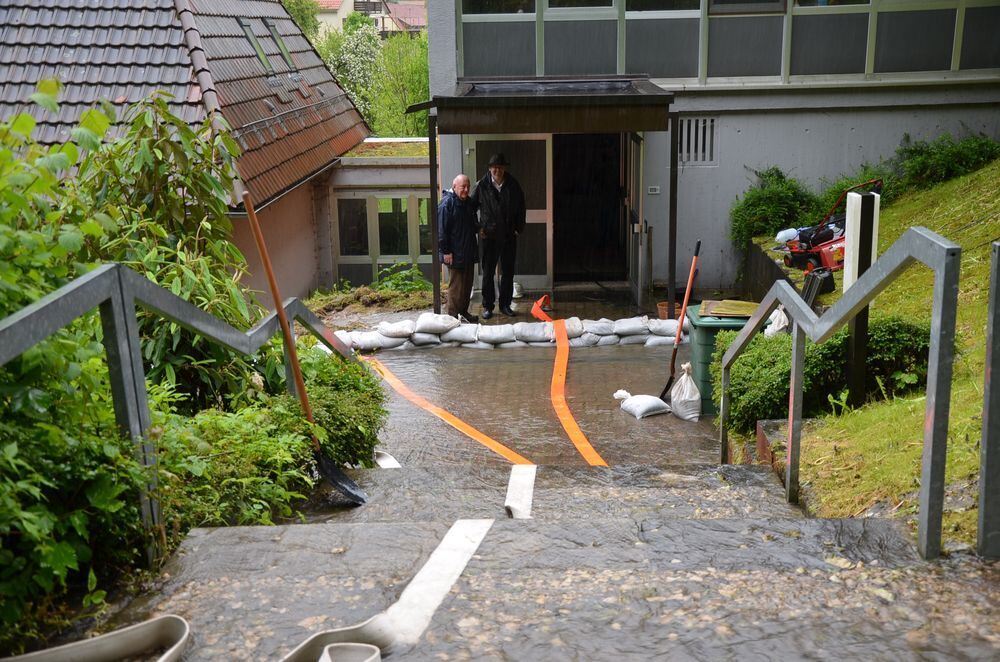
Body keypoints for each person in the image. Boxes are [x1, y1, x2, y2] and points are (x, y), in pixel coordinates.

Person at [472, 153, 526, 319]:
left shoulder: (513, 184)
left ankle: (505, 305)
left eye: (501, 167)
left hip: (509, 235)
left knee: (508, 272)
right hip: (489, 235)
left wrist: (518, 228)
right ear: (490, 169)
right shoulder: (481, 185)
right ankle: (488, 306)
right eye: (495, 167)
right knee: (488, 272)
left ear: (504, 168)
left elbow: (521, 207)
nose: (498, 170)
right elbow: (471, 208)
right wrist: (479, 227)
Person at [438, 174, 479, 322]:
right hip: (454, 253)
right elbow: (441, 231)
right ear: (454, 187)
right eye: (463, 187)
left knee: (467, 286)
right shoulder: (447, 204)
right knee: (456, 287)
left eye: (468, 187)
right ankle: (452, 317)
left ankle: (463, 312)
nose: (466, 190)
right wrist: (446, 251)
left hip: (468, 251)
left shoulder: (468, 203)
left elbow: (472, 224)